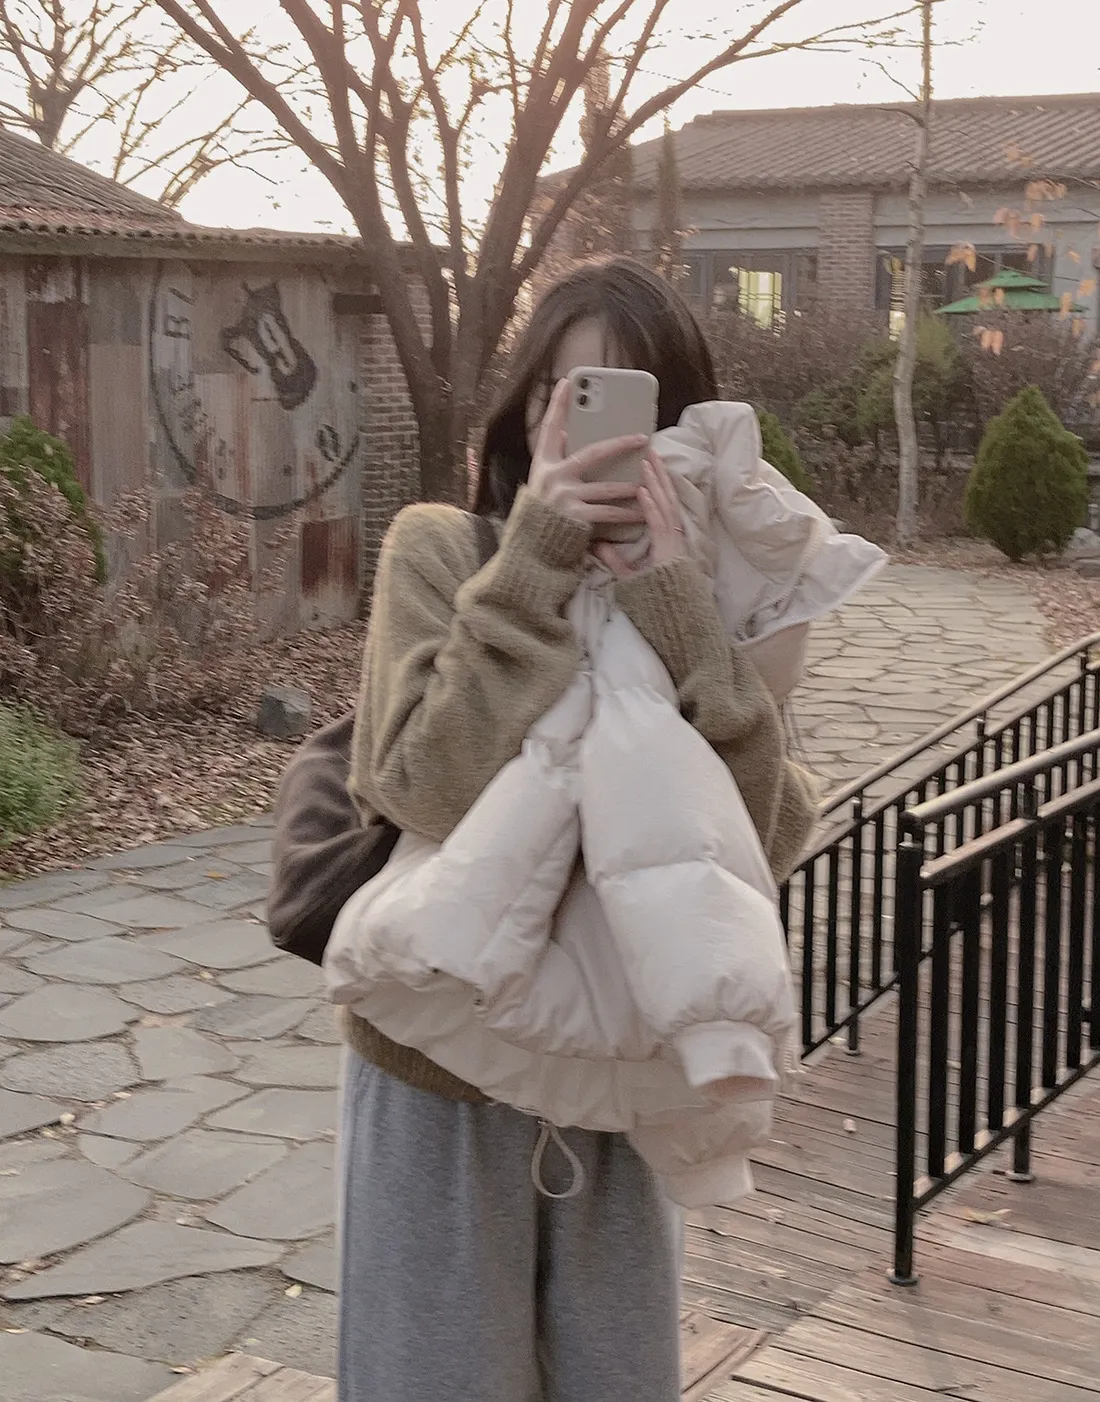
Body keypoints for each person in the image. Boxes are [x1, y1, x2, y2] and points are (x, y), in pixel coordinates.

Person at [334, 257, 823, 1402]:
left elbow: (760, 840)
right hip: (441, 1080)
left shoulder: (717, 591)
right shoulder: (443, 550)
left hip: (618, 1081)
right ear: (530, 411)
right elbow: (418, 784)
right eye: (572, 395)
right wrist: (537, 561)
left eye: (636, 402)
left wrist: (677, 604)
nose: (602, 435)